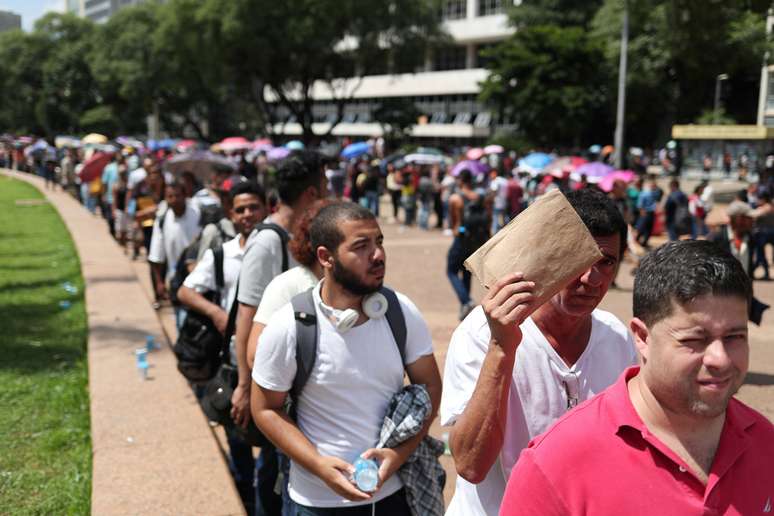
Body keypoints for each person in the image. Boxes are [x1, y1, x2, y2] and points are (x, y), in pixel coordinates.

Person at [499, 240, 773, 515]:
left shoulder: (766, 444)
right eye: (695, 339)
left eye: (735, 337)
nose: (721, 359)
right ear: (642, 337)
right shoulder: (556, 465)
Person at [440, 188, 636, 516]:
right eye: (580, 259)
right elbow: (471, 464)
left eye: (606, 262)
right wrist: (502, 348)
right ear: (547, 255)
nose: (591, 278)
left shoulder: (617, 338)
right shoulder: (480, 333)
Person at [250, 202, 442, 514]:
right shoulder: (289, 326)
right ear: (325, 257)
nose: (377, 255)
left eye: (379, 242)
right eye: (361, 247)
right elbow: (265, 409)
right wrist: (318, 465)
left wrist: (397, 455)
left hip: (394, 498)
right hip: (315, 504)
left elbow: (431, 387)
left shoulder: (401, 311)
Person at [232, 151, 327, 515]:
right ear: (311, 194)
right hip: (267, 379)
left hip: (291, 379)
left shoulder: (294, 236)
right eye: (325, 184)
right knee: (271, 468)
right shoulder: (270, 240)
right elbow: (246, 314)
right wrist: (245, 383)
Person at [177, 181, 265, 515]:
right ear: (231, 214)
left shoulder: (278, 249)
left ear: (266, 209)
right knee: (237, 432)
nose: (247, 215)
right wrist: (215, 312)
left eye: (253, 207)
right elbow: (186, 291)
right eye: (240, 209)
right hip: (231, 360)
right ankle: (245, 493)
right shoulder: (223, 254)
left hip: (270, 362)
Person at [147, 180, 201, 327]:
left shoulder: (198, 214)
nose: (174, 200)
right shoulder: (163, 220)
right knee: (181, 322)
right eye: (170, 196)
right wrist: (159, 282)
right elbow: (156, 256)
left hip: (201, 280)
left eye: (177, 196)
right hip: (176, 280)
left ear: (185, 196)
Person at [447, 169, 488, 321]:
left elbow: (453, 222)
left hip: (461, 238)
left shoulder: (455, 199)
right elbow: (488, 218)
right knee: (466, 273)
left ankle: (466, 301)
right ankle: (465, 308)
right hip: (476, 240)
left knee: (451, 271)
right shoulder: (481, 197)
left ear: (461, 181)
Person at [635, 176, 658, 248]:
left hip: (651, 213)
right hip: (646, 213)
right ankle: (636, 241)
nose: (655, 186)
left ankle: (644, 243)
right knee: (641, 228)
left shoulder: (654, 193)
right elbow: (640, 204)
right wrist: (642, 213)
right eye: (653, 185)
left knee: (649, 229)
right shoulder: (644, 193)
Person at [489, 169, 509, 234]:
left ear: (494, 173)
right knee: (505, 218)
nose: (490, 176)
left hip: (497, 203)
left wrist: (490, 199)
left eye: (491, 174)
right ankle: (508, 232)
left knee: (495, 220)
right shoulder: (504, 180)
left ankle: (495, 235)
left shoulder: (496, 181)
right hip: (504, 202)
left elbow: (494, 191)